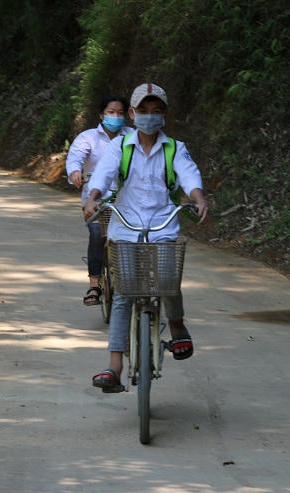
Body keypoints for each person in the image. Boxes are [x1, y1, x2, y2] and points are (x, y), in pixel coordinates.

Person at [83, 82, 208, 393]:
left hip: (162, 226)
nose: (149, 116)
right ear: (132, 113)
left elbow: (189, 174)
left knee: (167, 282)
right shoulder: (120, 147)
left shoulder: (174, 148)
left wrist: (198, 196)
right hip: (126, 228)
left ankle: (177, 326)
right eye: (143, 111)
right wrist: (94, 195)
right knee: (123, 296)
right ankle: (114, 366)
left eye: (156, 111)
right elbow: (104, 173)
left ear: (164, 115)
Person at [66, 95, 134, 306]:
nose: (115, 116)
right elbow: (75, 157)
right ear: (101, 115)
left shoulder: (133, 136)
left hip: (127, 200)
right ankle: (95, 284)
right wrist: (75, 171)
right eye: (111, 112)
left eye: (120, 113)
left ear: (127, 116)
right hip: (96, 201)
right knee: (97, 235)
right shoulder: (87, 138)